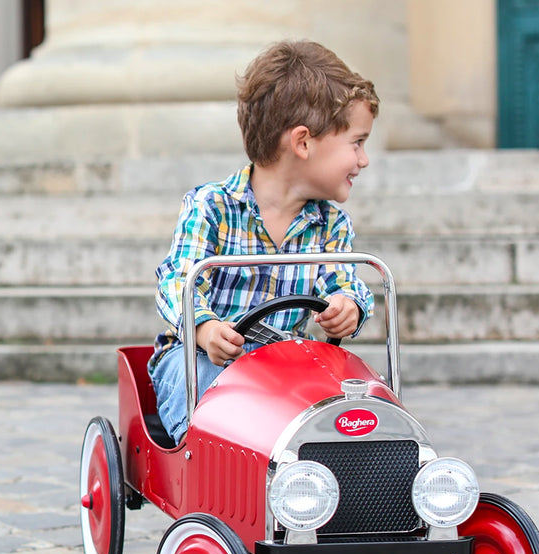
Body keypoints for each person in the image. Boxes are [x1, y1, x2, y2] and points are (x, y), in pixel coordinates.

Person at [148, 39, 379, 444]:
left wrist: (348, 305)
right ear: (303, 142)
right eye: (356, 143)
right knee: (209, 384)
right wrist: (204, 327)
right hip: (204, 358)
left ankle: (335, 469)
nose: (363, 159)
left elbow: (342, 281)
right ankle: (211, 462)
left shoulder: (329, 225)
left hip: (284, 367)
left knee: (347, 387)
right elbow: (177, 280)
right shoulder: (212, 206)